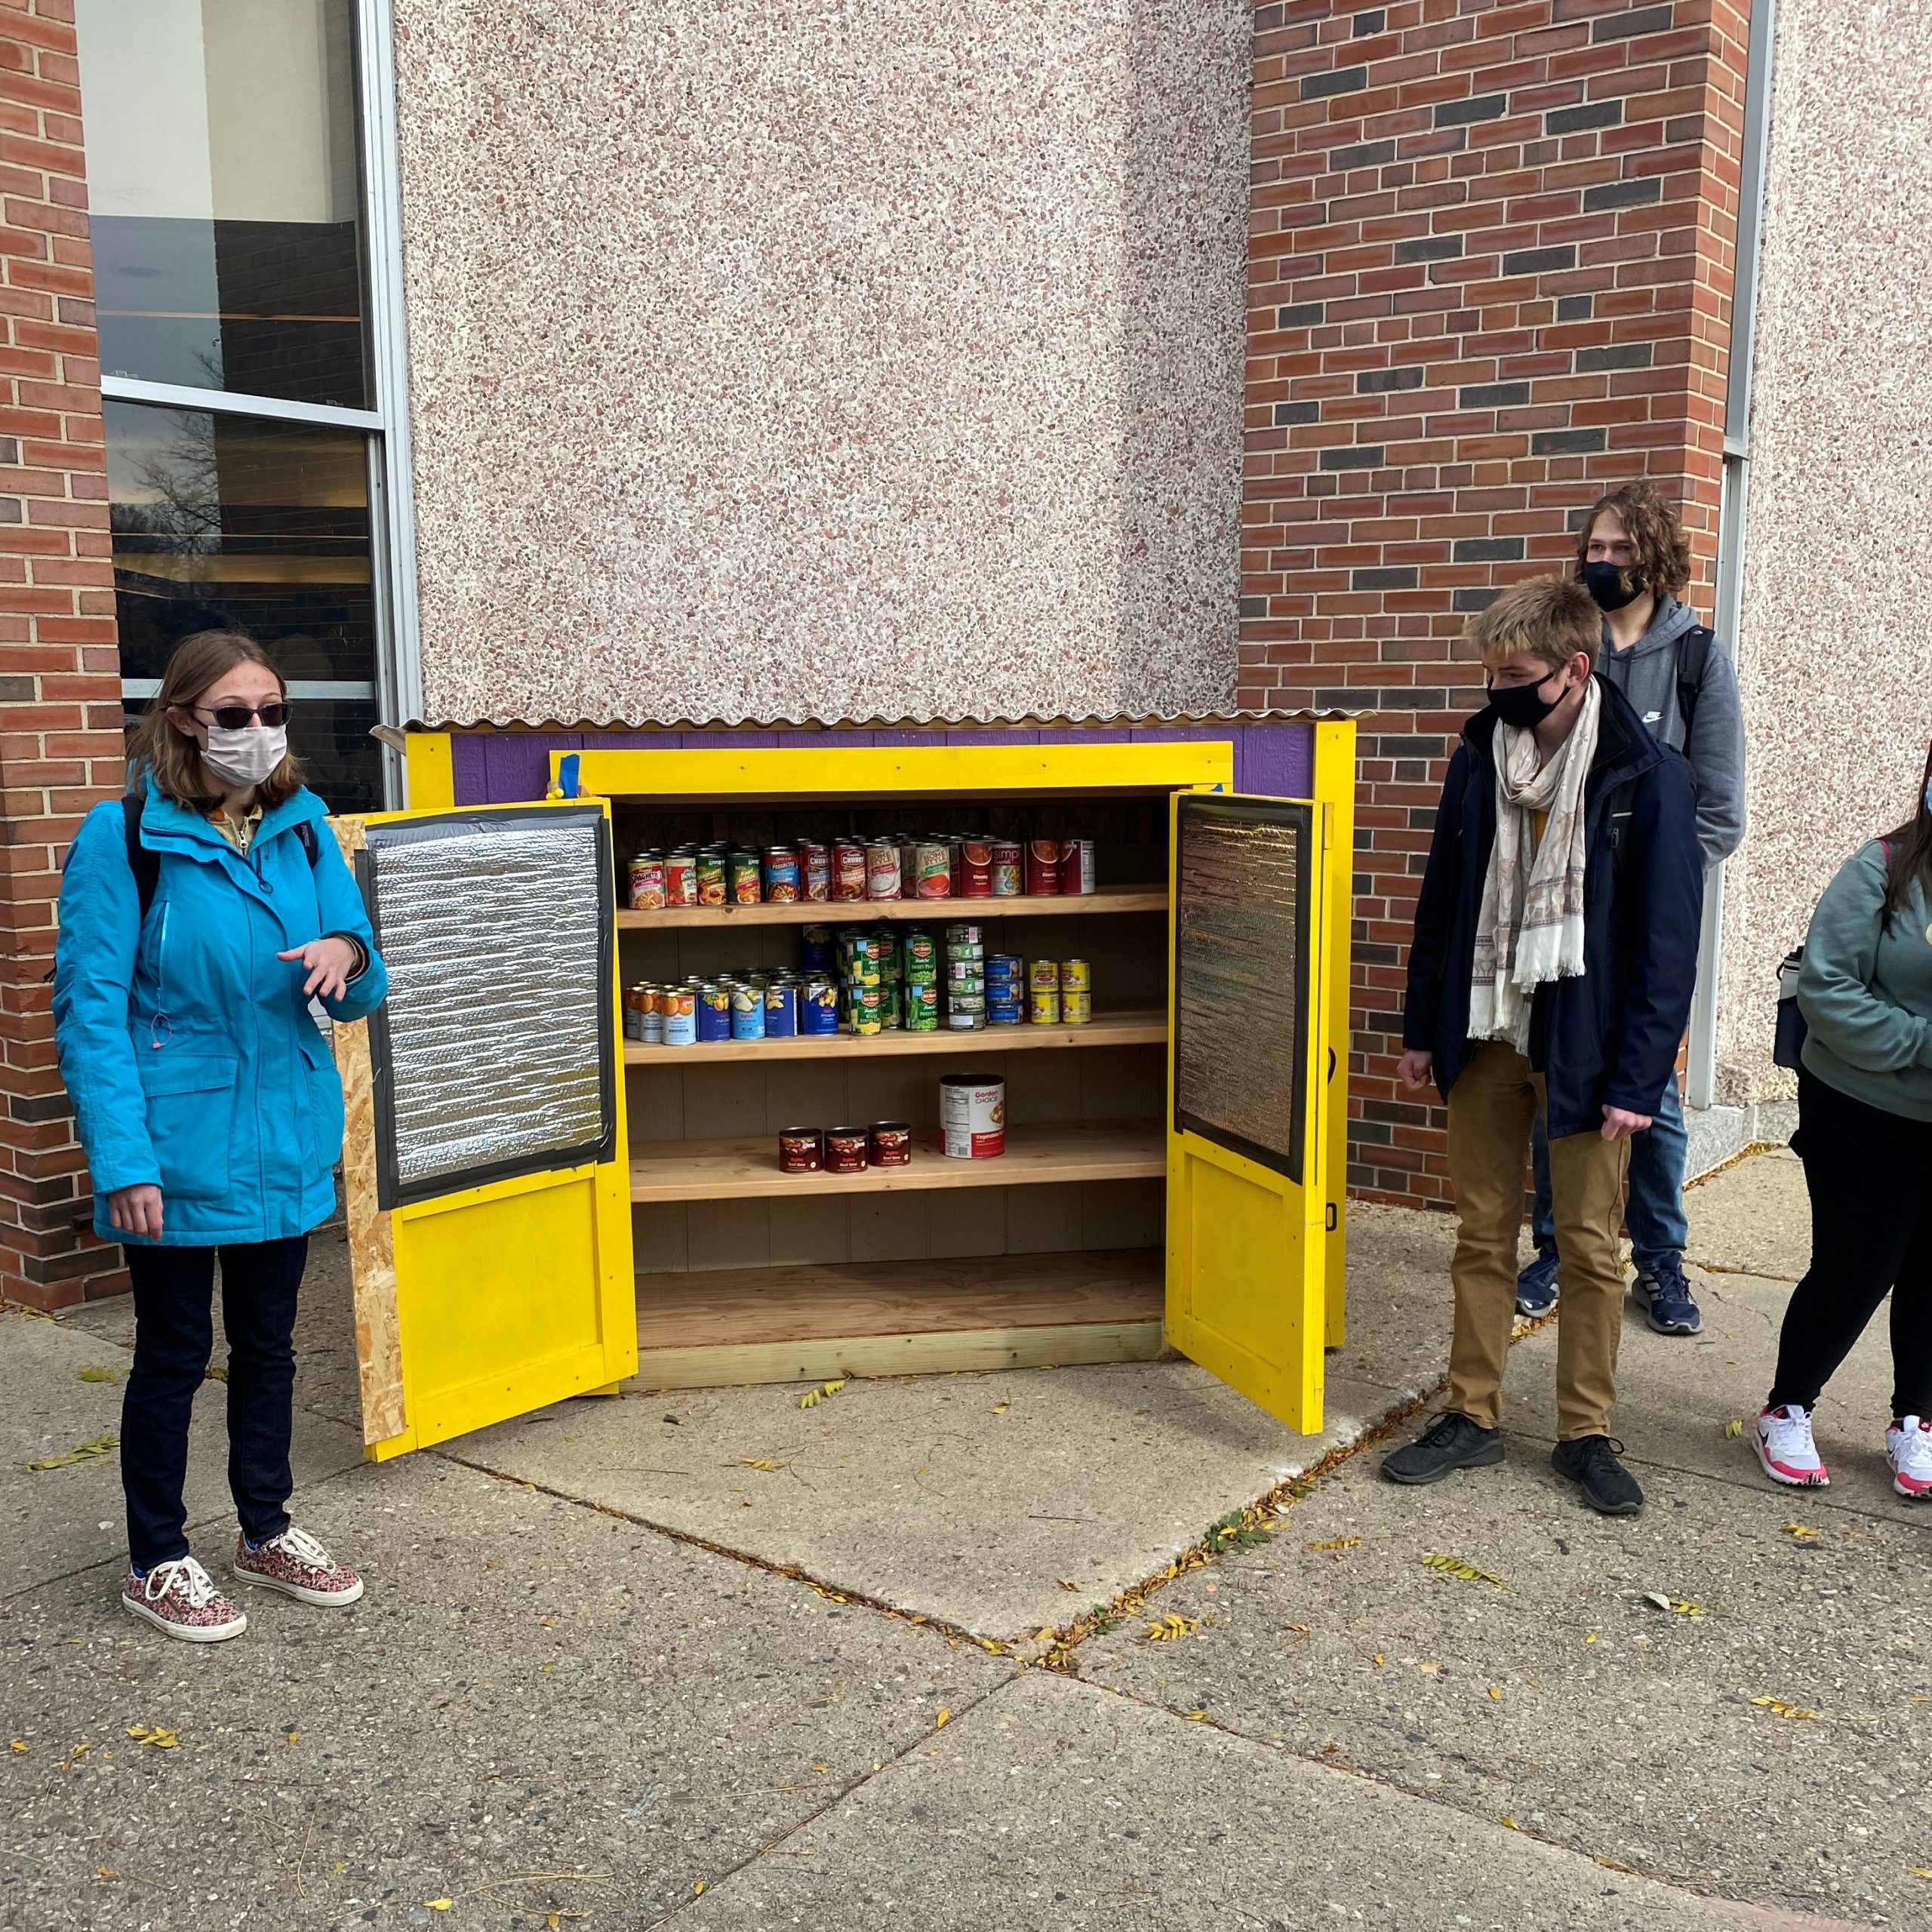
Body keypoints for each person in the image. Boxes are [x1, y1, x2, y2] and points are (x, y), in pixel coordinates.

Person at [54, 631, 387, 1641]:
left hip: (284, 1127)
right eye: (233, 714)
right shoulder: (125, 838)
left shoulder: (304, 826)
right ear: (182, 719)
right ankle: (157, 1554)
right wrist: (122, 1161)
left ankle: (264, 1525)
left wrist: (344, 947)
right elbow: (89, 1013)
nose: (256, 732)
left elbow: (364, 976)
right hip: (175, 1143)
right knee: (172, 1353)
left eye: (272, 710)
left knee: (270, 1346)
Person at [1380, 576, 1703, 1515]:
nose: (1497, 691)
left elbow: (1664, 946)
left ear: (1573, 666)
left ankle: (1584, 1433)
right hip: (1483, 1033)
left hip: (1588, 1048)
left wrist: (1639, 1078)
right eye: (1489, 673)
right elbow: (1441, 898)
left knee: (1594, 1248)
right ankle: (1471, 1415)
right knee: (1480, 1235)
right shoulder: (1480, 755)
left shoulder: (1647, 777)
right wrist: (1417, 1029)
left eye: (1513, 674)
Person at [1514, 482, 1746, 1336]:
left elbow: (1719, 807)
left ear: (1651, 556)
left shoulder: (1695, 659)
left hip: (1645, 913)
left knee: (1651, 1090)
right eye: (1592, 548)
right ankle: (1553, 1246)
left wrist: (1663, 882)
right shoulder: (1567, 643)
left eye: (1615, 549)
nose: (1598, 561)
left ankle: (1659, 1258)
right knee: (1558, 1072)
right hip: (1561, 904)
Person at [1754, 747, 1932, 1498]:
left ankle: (1915, 1419)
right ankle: (1786, 1406)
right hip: (1863, 1107)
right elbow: (1826, 987)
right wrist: (1924, 1044)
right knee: (1857, 1264)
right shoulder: (1884, 869)